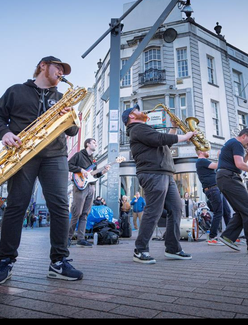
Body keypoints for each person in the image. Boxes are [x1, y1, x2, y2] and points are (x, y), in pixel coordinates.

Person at [0, 55, 82, 284]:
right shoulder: (16, 91)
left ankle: (59, 261)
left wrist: (70, 116)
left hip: (55, 155)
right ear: (43, 66)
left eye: (63, 71)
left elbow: (72, 132)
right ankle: (5, 261)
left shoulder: (61, 98)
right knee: (16, 205)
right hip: (21, 155)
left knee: (60, 207)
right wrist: (5, 133)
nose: (61, 73)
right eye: (58, 67)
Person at [123, 104, 196, 264]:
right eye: (137, 110)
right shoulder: (137, 128)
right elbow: (160, 139)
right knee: (153, 212)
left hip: (165, 173)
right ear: (132, 116)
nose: (142, 111)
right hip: (153, 173)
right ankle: (140, 250)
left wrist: (175, 128)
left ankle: (173, 248)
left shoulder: (144, 130)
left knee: (176, 209)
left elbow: (164, 143)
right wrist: (185, 136)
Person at [67, 138, 110, 248]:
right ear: (87, 144)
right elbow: (68, 165)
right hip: (80, 186)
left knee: (85, 214)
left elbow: (94, 176)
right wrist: (81, 170)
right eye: (94, 142)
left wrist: (103, 171)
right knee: (77, 213)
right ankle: (67, 237)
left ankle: (81, 239)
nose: (96, 144)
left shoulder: (93, 160)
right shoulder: (79, 155)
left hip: (91, 187)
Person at [195, 148, 231, 245]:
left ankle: (230, 237)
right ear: (201, 151)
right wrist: (220, 155)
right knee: (218, 212)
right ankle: (212, 237)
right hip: (212, 189)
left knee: (227, 212)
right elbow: (217, 165)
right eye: (206, 150)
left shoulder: (203, 161)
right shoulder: (201, 161)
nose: (208, 152)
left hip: (216, 188)